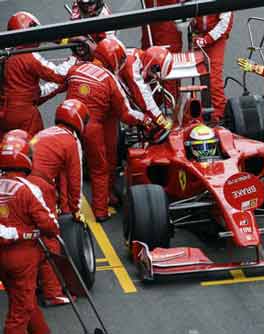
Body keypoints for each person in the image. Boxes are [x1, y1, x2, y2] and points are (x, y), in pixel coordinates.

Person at [65, 38, 152, 221]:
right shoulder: (109, 79)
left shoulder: (75, 69)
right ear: (113, 58)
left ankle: (65, 209)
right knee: (99, 169)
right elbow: (126, 113)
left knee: (67, 169)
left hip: (68, 124)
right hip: (92, 127)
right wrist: (145, 119)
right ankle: (101, 210)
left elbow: (55, 85)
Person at [30, 99, 89, 305]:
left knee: (27, 235)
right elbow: (75, 180)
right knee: (49, 237)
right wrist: (75, 210)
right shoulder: (71, 142)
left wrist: (64, 206)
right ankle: (53, 293)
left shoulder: (45, 134)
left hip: (16, 183)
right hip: (38, 185)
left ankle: (35, 282)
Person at [0, 135, 59, 333]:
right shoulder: (28, 188)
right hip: (23, 257)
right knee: (20, 312)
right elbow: (49, 225)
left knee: (24, 300)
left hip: (3, 256)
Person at [0, 11, 75, 138]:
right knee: (33, 148)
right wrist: (73, 59)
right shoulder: (29, 56)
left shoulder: (6, 53)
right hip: (25, 115)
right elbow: (59, 74)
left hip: (4, 113)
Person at [191, 11, 234, 123]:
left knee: (214, 77)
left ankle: (219, 115)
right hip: (199, 36)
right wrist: (193, 31)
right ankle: (206, 113)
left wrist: (206, 39)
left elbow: (225, 23)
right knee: (203, 76)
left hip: (216, 39)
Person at [119, 46, 174, 133]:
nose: (153, 77)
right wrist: (163, 122)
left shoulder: (140, 57)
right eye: (153, 73)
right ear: (151, 62)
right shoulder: (132, 65)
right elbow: (144, 99)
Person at [141, 0, 183, 102]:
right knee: (147, 66)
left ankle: (170, 107)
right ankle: (153, 106)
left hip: (168, 26)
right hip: (149, 26)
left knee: (168, 69)